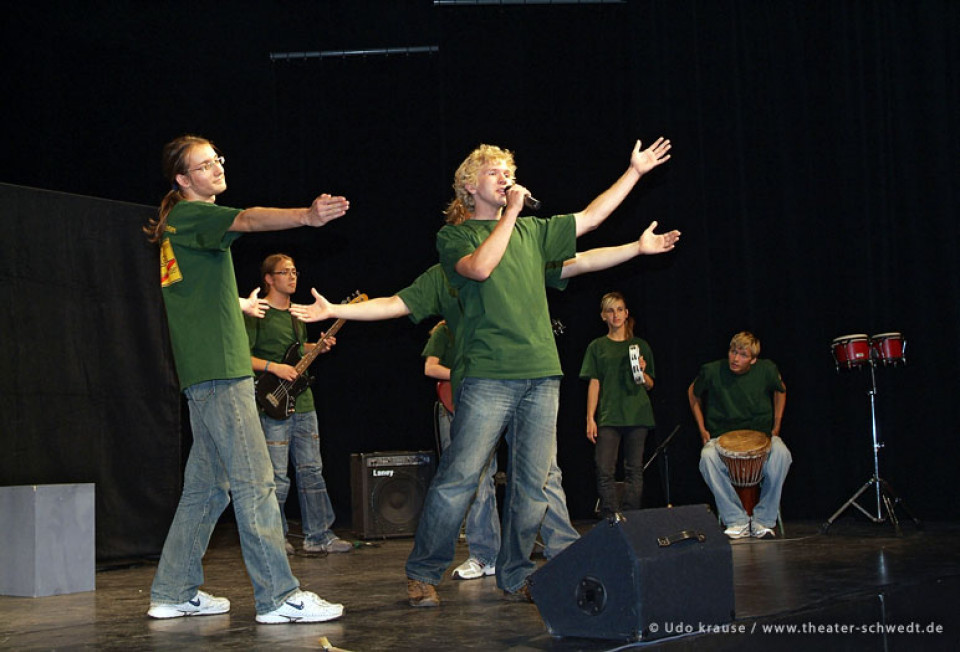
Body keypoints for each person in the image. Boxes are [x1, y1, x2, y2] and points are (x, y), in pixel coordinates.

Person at [405, 137, 675, 607]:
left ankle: (516, 574)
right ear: (469, 186)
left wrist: (634, 180)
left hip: (541, 374)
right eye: (493, 172)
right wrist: (510, 212)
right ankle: (424, 571)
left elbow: (588, 226)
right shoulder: (455, 238)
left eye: (508, 171)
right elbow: (482, 268)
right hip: (488, 376)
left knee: (532, 485)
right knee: (461, 478)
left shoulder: (533, 234)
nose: (504, 178)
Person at [143, 134, 349, 624]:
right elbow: (248, 217)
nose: (215, 167)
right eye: (203, 164)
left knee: (207, 488)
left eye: (218, 159)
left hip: (207, 371)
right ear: (182, 179)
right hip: (220, 372)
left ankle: (172, 589)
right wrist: (307, 215)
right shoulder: (193, 216)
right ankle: (278, 597)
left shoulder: (180, 227)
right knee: (256, 481)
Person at [244, 254, 353, 555]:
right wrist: (274, 367)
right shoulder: (257, 312)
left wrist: (317, 347)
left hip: (303, 402)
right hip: (272, 402)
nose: (292, 277)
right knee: (277, 476)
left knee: (311, 469)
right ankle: (274, 539)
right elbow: (243, 356)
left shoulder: (297, 314)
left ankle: (319, 535)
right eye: (284, 272)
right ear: (268, 278)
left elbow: (295, 352)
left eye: (295, 271)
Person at [687, 331, 792, 540]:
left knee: (782, 453)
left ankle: (763, 520)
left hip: (761, 438)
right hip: (722, 438)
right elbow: (693, 392)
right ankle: (736, 520)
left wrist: (777, 426)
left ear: (753, 360)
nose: (735, 359)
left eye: (743, 355)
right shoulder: (712, 370)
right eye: (733, 352)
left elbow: (781, 390)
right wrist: (702, 429)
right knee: (707, 457)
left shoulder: (766, 370)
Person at [579, 292, 656, 517]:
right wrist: (590, 418)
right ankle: (611, 518)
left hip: (637, 415)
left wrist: (642, 372)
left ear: (626, 313)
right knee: (604, 468)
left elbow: (650, 384)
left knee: (634, 469)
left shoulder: (640, 345)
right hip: (609, 415)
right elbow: (594, 383)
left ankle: (631, 518)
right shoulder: (597, 346)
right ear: (603, 316)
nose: (616, 315)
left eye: (620, 309)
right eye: (611, 311)